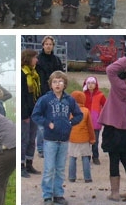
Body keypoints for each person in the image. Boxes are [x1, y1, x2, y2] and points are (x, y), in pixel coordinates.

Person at [31, 71, 83, 205]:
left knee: (60, 169)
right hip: (50, 140)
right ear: (51, 84)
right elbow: (36, 115)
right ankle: (47, 195)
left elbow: (79, 115)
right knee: (49, 168)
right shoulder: (45, 99)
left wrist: (70, 123)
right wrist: (47, 123)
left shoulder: (69, 99)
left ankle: (58, 194)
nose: (57, 84)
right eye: (54, 82)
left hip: (64, 139)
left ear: (65, 84)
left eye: (60, 81)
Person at [98, 56, 126, 202]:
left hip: (113, 126)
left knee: (113, 159)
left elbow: (110, 70)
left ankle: (114, 192)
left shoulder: (118, 85)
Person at [35, 36, 64, 158]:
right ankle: (41, 147)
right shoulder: (38, 60)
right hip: (42, 94)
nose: (48, 46)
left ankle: (52, 146)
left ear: (53, 46)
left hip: (55, 94)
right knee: (42, 124)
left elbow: (61, 75)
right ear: (43, 45)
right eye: (46, 44)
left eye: (50, 44)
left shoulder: (56, 60)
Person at [20, 49, 41, 178]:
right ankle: (21, 165)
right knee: (24, 139)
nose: (37, 60)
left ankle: (29, 163)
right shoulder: (23, 74)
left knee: (32, 138)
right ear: (28, 58)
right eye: (35, 58)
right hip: (26, 113)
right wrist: (25, 115)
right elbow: (23, 97)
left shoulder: (34, 74)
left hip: (34, 111)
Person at [67, 91, 95, 183]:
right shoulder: (86, 111)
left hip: (72, 138)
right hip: (84, 138)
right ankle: (87, 177)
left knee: (72, 157)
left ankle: (71, 177)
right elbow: (90, 126)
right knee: (85, 157)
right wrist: (92, 138)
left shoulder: (69, 111)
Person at [82, 76, 106, 165]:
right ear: (86, 84)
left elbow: (105, 105)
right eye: (89, 83)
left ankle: (95, 156)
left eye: (92, 83)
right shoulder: (83, 95)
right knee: (86, 140)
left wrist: (103, 116)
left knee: (95, 141)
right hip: (85, 122)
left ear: (96, 85)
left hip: (96, 122)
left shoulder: (100, 95)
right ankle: (86, 156)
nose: (91, 85)